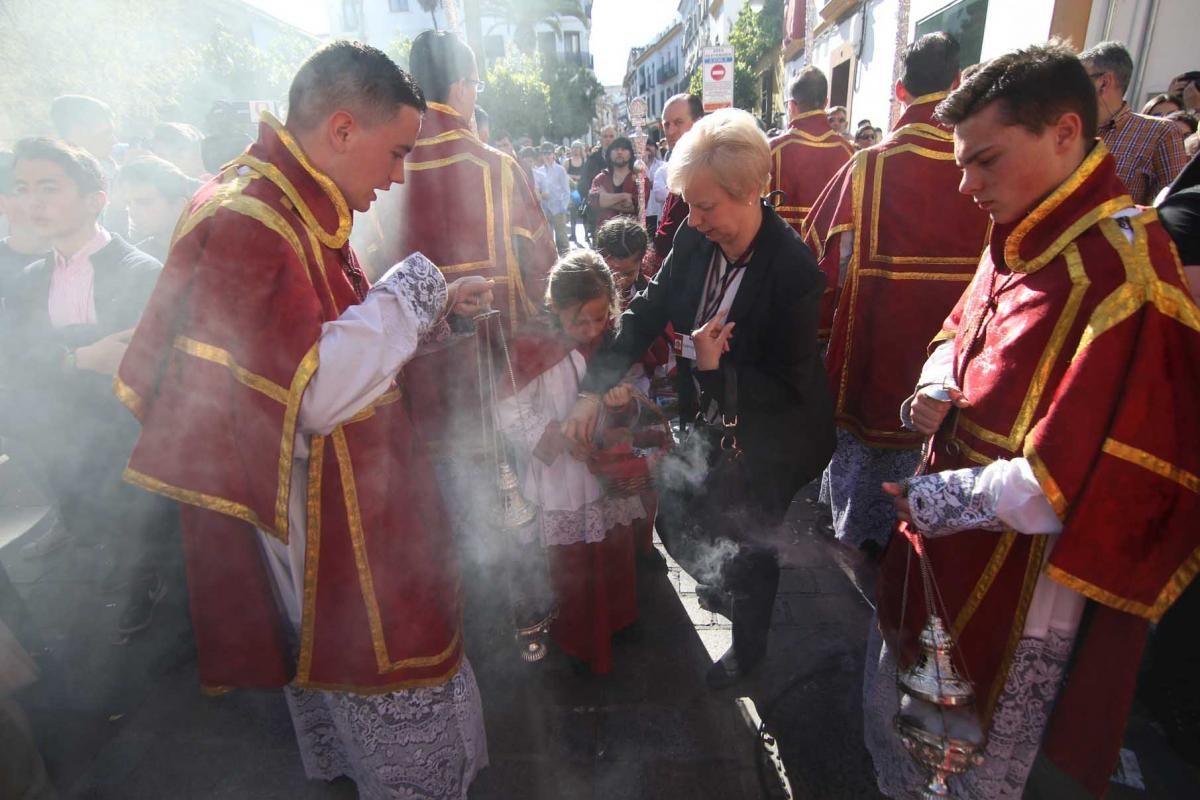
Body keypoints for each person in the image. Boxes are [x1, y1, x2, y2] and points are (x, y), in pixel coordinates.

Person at [114, 41, 493, 797]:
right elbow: (310, 391)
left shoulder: (287, 194)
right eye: (395, 153)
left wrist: (432, 312)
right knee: (378, 676)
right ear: (344, 129)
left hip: (352, 495)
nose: (396, 178)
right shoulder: (252, 216)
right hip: (323, 520)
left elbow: (333, 332)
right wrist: (415, 286)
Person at [864, 42, 1200, 799]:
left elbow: (1060, 487)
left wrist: (932, 501)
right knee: (912, 722)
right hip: (943, 537)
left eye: (984, 160)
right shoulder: (1027, 222)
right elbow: (962, 324)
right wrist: (930, 384)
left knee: (977, 762)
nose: (964, 184)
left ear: (1065, 133)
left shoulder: (1125, 273)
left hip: (1025, 576)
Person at [563, 109, 835, 689]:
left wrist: (713, 373)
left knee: (750, 539)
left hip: (774, 434)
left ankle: (750, 652)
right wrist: (591, 389)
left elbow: (788, 384)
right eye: (692, 206)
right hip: (710, 416)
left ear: (754, 191)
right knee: (678, 512)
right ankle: (723, 579)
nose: (698, 219)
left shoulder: (794, 272)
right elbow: (647, 312)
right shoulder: (694, 232)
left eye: (709, 207)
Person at [804, 32, 991, 553]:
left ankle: (858, 529)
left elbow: (825, 252)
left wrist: (825, 324)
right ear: (957, 82)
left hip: (879, 331)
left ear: (902, 89)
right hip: (961, 336)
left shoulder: (870, 163)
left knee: (869, 429)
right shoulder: (983, 161)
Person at [2, 137, 171, 637]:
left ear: (95, 198)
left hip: (129, 438)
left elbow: (155, 367)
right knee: (95, 523)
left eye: (49, 187)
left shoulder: (141, 272)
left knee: (144, 530)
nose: (34, 202)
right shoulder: (28, 280)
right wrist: (81, 358)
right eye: (23, 189)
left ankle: (151, 588)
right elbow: (16, 363)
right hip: (64, 438)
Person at [498, 251, 646, 674]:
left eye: (600, 319)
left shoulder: (610, 341)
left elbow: (630, 391)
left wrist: (618, 403)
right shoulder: (533, 346)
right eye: (580, 321)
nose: (591, 330)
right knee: (571, 565)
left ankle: (616, 622)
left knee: (611, 550)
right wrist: (559, 437)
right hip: (558, 475)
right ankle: (577, 637)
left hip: (601, 471)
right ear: (555, 307)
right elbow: (509, 410)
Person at [1080, 41, 1188, 205]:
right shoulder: (1071, 131)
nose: (1071, 89)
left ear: (1104, 82)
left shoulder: (1159, 132)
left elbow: (1172, 206)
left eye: (1078, 80)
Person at [768, 66, 855, 238]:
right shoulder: (848, 151)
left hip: (781, 256)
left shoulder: (772, 150)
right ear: (825, 103)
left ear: (792, 106)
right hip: (828, 258)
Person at [51, 94, 128, 236]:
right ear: (78, 131)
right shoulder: (40, 179)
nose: (114, 141)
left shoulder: (113, 175)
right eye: (107, 132)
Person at [649, 93, 704, 271]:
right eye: (666, 124)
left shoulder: (707, 165)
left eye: (678, 123)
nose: (670, 131)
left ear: (699, 122)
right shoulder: (679, 162)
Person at [117, 156, 199, 262]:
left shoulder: (210, 251)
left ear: (179, 206)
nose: (132, 213)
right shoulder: (135, 259)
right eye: (128, 204)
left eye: (144, 202)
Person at [0, 151, 48, 302]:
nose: (36, 201)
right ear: (2, 203)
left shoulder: (77, 262)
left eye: (47, 190)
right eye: (22, 190)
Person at [588, 136, 638, 230]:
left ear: (631, 153)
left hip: (631, 233)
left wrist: (605, 198)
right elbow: (594, 202)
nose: (619, 152)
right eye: (615, 149)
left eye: (624, 149)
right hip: (605, 232)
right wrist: (624, 196)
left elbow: (635, 207)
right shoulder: (600, 178)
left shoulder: (639, 178)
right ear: (609, 154)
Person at [536, 142, 571, 255]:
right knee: (547, 238)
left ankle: (566, 263)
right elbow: (537, 188)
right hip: (545, 208)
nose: (546, 155)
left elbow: (566, 190)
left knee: (562, 238)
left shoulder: (560, 170)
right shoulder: (538, 170)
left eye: (549, 153)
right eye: (544, 153)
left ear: (553, 154)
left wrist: (563, 207)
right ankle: (551, 261)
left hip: (558, 207)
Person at [641, 139, 665, 235]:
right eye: (644, 145)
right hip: (643, 214)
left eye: (650, 145)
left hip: (658, 213)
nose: (647, 147)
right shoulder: (636, 167)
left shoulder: (663, 167)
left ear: (656, 148)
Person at [566, 140, 586, 243]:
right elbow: (563, 174)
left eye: (577, 148)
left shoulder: (585, 161)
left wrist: (579, 178)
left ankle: (587, 234)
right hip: (573, 190)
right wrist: (573, 177)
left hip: (583, 189)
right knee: (573, 211)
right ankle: (573, 234)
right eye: (574, 148)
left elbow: (587, 174)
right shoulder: (567, 162)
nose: (575, 150)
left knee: (585, 211)